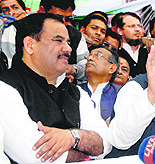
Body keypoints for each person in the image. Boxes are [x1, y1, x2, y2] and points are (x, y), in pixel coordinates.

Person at [0, 13, 110, 163]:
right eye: (58, 40)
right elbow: (34, 154)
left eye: (68, 42)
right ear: (30, 45)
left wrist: (73, 137)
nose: (68, 49)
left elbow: (104, 144)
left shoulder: (77, 92)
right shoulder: (5, 86)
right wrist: (84, 155)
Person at [1, 0, 89, 82]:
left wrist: (73, 70)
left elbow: (87, 68)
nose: (62, 23)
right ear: (42, 10)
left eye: (68, 18)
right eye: (58, 17)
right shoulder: (16, 30)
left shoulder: (76, 36)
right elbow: (8, 68)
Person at [79, 46, 119, 125]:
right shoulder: (74, 90)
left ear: (112, 68)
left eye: (97, 55)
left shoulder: (121, 93)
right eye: (89, 55)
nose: (89, 58)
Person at [115, 12, 148, 77]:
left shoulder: (149, 53)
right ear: (120, 30)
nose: (137, 29)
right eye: (131, 26)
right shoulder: (115, 54)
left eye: (139, 26)